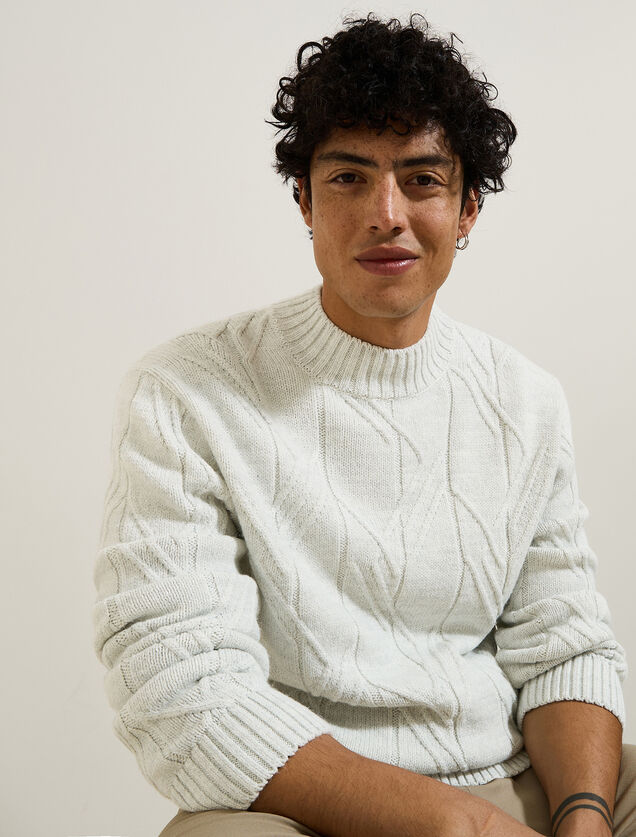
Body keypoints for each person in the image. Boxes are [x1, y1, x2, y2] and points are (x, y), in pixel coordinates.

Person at [92, 13, 635, 837]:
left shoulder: (525, 400)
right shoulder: (185, 393)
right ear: (305, 201)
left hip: (509, 780)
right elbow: (181, 689)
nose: (387, 213)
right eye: (349, 177)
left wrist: (584, 817)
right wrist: (461, 827)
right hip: (311, 801)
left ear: (468, 209)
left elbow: (563, 644)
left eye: (422, 179)